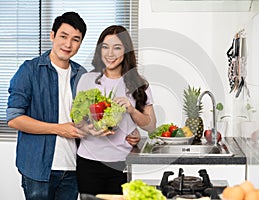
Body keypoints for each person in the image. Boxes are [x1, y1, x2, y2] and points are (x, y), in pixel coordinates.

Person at [6, 12, 87, 200]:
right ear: (52, 35)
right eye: (63, 36)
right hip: (38, 169)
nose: (68, 44)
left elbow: (85, 119)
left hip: (73, 169)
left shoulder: (82, 74)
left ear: (80, 43)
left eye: (75, 39)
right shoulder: (29, 70)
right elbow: (14, 119)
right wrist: (59, 129)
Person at [75, 25, 157, 195]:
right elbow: (78, 122)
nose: (110, 53)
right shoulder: (87, 79)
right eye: (105, 47)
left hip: (121, 164)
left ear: (126, 51)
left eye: (117, 47)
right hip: (89, 162)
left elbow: (151, 126)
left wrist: (132, 111)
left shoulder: (138, 83)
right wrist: (89, 130)